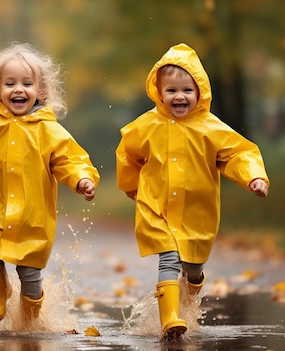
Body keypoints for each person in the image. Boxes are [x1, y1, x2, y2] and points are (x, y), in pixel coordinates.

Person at [115, 43, 269, 341]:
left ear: (200, 92)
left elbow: (239, 154)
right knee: (169, 258)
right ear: (159, 93)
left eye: (187, 89)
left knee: (192, 266)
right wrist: (131, 185)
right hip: (156, 207)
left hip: (197, 211)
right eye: (171, 90)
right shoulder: (146, 126)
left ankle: (193, 286)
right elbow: (127, 154)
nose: (179, 96)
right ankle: (170, 319)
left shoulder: (211, 128)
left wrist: (254, 177)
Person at [0, 43, 100, 323]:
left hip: (33, 215)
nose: (18, 89)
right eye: (10, 83)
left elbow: (70, 160)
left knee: (30, 276)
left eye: (26, 83)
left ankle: (29, 321)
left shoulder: (50, 131)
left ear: (41, 92)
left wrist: (82, 179)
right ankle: (0, 290)